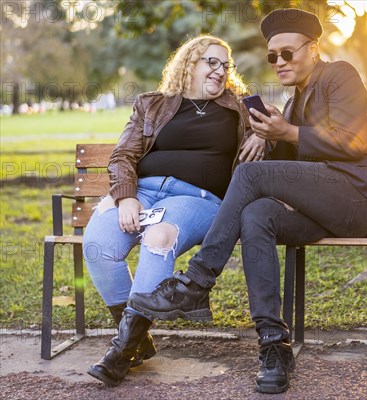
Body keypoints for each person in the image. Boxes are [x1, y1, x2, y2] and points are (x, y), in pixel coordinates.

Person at [128, 9, 367, 394]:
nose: (279, 62)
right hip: (321, 210)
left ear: (314, 49)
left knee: (251, 179)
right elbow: (284, 173)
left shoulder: (339, 75)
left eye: (288, 53)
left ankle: (197, 282)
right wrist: (265, 138)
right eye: (273, 56)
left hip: (357, 201)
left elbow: (356, 142)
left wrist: (288, 131)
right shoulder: (291, 103)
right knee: (257, 214)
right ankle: (273, 344)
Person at [83, 34, 264, 387]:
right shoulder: (151, 104)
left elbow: (281, 122)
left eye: (225, 65)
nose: (220, 70)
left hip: (197, 200)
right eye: (211, 62)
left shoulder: (241, 107)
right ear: (189, 63)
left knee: (159, 236)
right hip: (143, 192)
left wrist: (263, 135)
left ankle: (120, 353)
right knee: (98, 244)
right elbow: (123, 156)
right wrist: (125, 197)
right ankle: (138, 339)